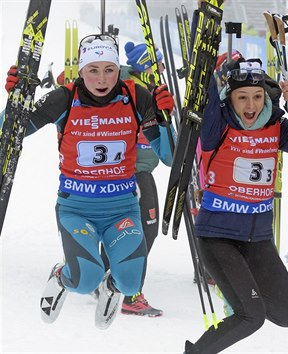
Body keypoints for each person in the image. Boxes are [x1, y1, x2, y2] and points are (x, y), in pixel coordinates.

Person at [4, 34, 174, 329]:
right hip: (77, 210)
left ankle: (113, 289)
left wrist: (166, 118)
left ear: (118, 69)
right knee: (84, 280)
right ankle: (60, 276)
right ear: (81, 70)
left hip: (122, 209)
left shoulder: (137, 96)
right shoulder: (64, 98)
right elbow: (10, 133)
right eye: (93, 69)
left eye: (109, 69)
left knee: (131, 282)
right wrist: (16, 102)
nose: (101, 78)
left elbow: (170, 157)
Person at [182, 57, 288, 353]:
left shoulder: (276, 126)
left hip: (257, 239)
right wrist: (204, 24)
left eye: (257, 97)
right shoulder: (216, 125)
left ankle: (240, 293)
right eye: (242, 97)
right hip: (217, 236)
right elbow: (204, 83)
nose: (251, 106)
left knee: (287, 314)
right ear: (229, 97)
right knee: (251, 316)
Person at [100, 41, 173, 317]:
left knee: (128, 229)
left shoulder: (156, 90)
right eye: (158, 64)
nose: (163, 69)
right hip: (127, 174)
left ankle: (108, 281)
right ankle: (129, 292)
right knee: (142, 230)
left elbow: (169, 147)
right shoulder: (126, 89)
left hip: (142, 170)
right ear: (145, 67)